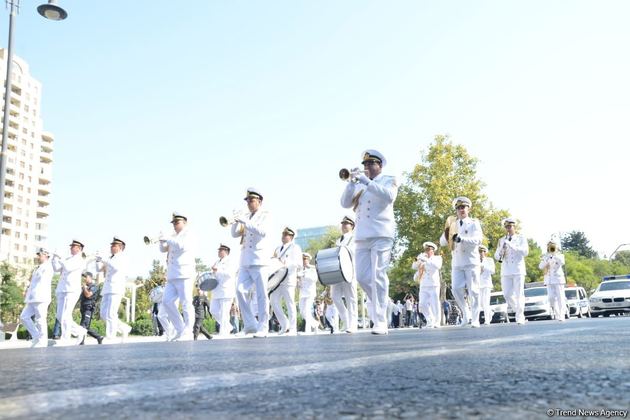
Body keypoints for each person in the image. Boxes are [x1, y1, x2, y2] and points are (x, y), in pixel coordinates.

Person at [340, 149, 398, 335]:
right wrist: (351, 183)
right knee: (363, 277)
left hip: (381, 233)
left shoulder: (389, 179)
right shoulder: (359, 183)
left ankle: (380, 320)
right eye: (365, 164)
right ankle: (384, 302)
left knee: (378, 275)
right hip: (362, 235)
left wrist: (366, 182)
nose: (367, 167)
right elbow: (344, 204)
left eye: (371, 164)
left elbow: (389, 196)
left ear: (379, 165)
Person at [232, 188, 273, 338]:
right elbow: (234, 234)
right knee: (240, 290)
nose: (248, 203)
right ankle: (250, 324)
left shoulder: (265, 215)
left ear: (259, 201)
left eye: (251, 200)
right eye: (247, 201)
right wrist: (235, 221)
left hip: (259, 259)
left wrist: (245, 221)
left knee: (262, 294)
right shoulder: (247, 216)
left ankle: (263, 326)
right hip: (245, 260)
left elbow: (262, 231)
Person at [440, 197, 483, 328]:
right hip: (457, 262)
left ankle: (475, 319)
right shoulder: (453, 224)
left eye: (463, 207)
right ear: (456, 210)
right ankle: (466, 313)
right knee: (456, 289)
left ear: (468, 209)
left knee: (474, 290)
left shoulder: (474, 223)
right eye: (458, 208)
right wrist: (446, 231)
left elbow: (478, 240)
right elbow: (442, 242)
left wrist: (462, 239)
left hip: (471, 261)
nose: (461, 210)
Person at [160, 212, 197, 341]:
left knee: (186, 303)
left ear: (184, 222)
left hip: (184, 273)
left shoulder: (188, 234)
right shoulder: (173, 236)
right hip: (172, 274)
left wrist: (168, 239)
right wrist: (161, 240)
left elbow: (182, 246)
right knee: (166, 301)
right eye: (174, 223)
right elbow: (163, 250)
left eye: (177, 222)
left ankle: (189, 331)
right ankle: (180, 329)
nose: (175, 225)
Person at [52, 239, 88, 345]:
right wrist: (54, 257)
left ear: (79, 248)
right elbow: (56, 268)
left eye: (74, 246)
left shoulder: (80, 260)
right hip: (62, 289)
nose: (71, 248)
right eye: (71, 246)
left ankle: (65, 338)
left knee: (66, 315)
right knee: (59, 315)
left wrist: (60, 258)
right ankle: (80, 331)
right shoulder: (67, 259)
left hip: (72, 290)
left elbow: (67, 267)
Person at [494, 218, 529, 325]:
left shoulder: (521, 238)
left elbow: (525, 252)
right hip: (506, 270)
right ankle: (518, 311)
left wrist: (512, 245)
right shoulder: (501, 240)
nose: (508, 229)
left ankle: (520, 316)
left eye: (510, 226)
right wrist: (501, 250)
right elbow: (496, 256)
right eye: (507, 227)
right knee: (507, 294)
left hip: (518, 269)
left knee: (519, 294)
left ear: (514, 227)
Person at [97, 236, 131, 343]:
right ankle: (123, 328)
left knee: (111, 313)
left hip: (116, 288)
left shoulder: (122, 258)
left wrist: (104, 259)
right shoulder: (110, 258)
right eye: (112, 245)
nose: (111, 247)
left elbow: (116, 267)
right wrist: (98, 260)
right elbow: (99, 269)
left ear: (120, 247)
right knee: (103, 314)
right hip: (107, 288)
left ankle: (111, 337)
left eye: (114, 245)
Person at [269, 227, 302, 335]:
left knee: (290, 303)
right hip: (278, 280)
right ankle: (284, 324)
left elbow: (299, 264)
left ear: (291, 237)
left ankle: (293, 328)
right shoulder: (278, 249)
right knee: (273, 300)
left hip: (289, 279)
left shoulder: (295, 247)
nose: (283, 236)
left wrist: (285, 263)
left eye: (286, 234)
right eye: (283, 234)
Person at [20, 248, 54, 348]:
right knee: (24, 317)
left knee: (40, 319)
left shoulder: (48, 266)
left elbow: (41, 282)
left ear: (46, 255)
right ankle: (36, 336)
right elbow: (32, 283)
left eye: (40, 255)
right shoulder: (38, 267)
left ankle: (43, 342)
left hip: (41, 297)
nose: (38, 257)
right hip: (33, 297)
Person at [330, 215, 358, 333]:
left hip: (349, 270)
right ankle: (346, 320)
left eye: (346, 223)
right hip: (338, 271)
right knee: (335, 296)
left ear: (352, 226)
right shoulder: (338, 240)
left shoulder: (354, 238)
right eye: (342, 224)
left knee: (350, 298)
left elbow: (355, 253)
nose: (343, 226)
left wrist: (343, 249)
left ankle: (353, 324)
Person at [209, 244, 237, 337]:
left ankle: (224, 333)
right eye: (219, 250)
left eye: (221, 250)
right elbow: (215, 274)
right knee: (213, 310)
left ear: (226, 251)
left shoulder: (230, 261)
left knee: (225, 313)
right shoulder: (217, 262)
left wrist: (218, 270)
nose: (219, 252)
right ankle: (228, 326)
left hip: (226, 290)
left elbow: (230, 274)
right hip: (216, 290)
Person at [413, 241, 443, 329]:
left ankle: (437, 322)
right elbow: (414, 267)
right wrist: (418, 260)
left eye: (428, 249)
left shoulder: (437, 258)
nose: (426, 251)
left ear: (433, 250)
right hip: (423, 284)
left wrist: (426, 260)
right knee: (422, 305)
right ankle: (430, 320)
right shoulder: (422, 259)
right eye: (425, 249)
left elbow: (437, 266)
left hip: (433, 284)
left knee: (435, 304)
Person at [540, 239, 567, 321]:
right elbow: (540, 266)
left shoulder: (560, 255)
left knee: (560, 297)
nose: (551, 247)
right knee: (551, 298)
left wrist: (554, 254)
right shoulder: (545, 256)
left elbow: (562, 262)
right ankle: (557, 313)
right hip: (549, 279)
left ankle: (562, 315)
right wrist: (546, 259)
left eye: (552, 245)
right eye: (549, 245)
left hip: (558, 279)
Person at [78, 272, 104, 345]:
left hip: (88, 308)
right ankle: (99, 337)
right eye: (83, 277)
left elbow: (88, 295)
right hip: (83, 307)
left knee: (83, 325)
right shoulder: (84, 286)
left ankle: (81, 341)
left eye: (85, 277)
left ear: (90, 277)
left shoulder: (94, 286)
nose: (84, 278)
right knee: (86, 326)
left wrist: (84, 287)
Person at [297, 253, 319, 334]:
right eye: (302, 260)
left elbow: (314, 279)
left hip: (310, 292)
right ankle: (315, 324)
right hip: (302, 293)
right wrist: (298, 280)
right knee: (302, 312)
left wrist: (304, 275)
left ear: (308, 260)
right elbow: (299, 284)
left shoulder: (313, 268)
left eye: (305, 259)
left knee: (307, 310)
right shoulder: (300, 270)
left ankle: (308, 330)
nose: (304, 261)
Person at [479, 245, 496, 325]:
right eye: (480, 251)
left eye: (483, 251)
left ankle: (487, 320)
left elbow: (493, 271)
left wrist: (484, 266)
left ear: (486, 252)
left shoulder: (489, 260)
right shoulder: (476, 261)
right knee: (481, 303)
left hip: (486, 283)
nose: (481, 253)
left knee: (485, 302)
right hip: (478, 284)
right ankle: (490, 312)